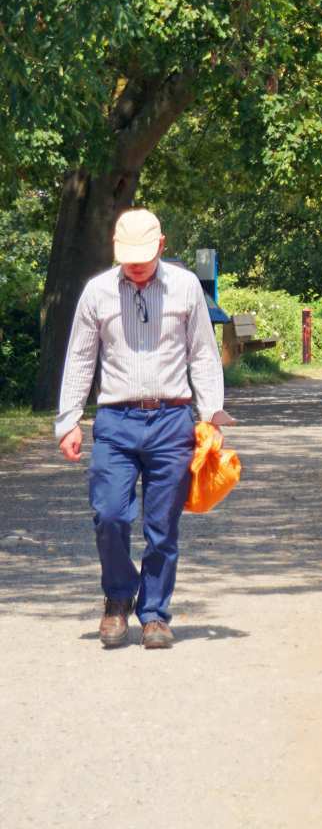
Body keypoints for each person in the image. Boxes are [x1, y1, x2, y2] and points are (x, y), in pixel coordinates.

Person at [56, 209, 234, 650]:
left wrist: (212, 416)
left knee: (162, 526)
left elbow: (203, 355)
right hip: (115, 421)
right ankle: (117, 600)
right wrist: (68, 420)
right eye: (127, 256)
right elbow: (80, 358)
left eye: (143, 255)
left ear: (162, 245)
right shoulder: (97, 292)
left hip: (172, 420)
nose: (135, 265)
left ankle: (154, 614)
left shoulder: (186, 287)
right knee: (111, 515)